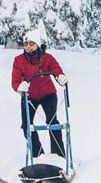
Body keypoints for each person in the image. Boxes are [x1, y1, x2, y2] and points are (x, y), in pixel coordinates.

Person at [11, 28, 67, 158]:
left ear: (37, 44)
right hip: (29, 96)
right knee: (26, 126)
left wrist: (60, 77)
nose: (29, 47)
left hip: (48, 94)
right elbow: (15, 80)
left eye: (32, 44)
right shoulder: (19, 60)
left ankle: (58, 155)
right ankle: (38, 155)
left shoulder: (47, 58)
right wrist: (19, 86)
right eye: (26, 44)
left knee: (52, 122)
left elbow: (56, 69)